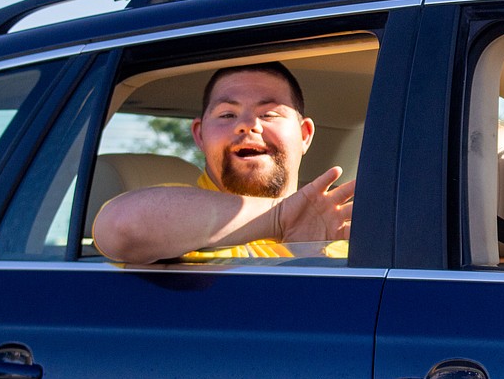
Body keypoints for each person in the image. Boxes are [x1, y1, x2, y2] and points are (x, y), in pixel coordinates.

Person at [93, 62, 353, 264]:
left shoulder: (339, 237)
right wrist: (279, 217)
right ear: (200, 135)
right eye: (227, 114)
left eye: (269, 114)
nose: (248, 125)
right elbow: (121, 226)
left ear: (304, 135)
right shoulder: (176, 219)